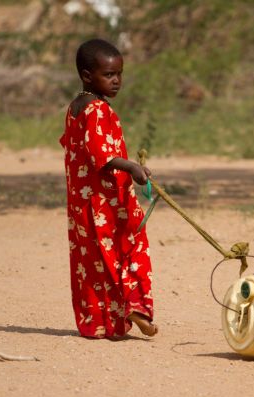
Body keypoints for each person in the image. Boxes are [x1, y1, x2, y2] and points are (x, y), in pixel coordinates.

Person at [59, 39, 158, 338]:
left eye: (119, 74)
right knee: (129, 245)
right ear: (88, 76)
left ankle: (102, 323)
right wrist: (132, 168)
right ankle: (135, 305)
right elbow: (100, 152)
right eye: (109, 75)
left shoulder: (75, 108)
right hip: (106, 201)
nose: (116, 81)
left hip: (82, 203)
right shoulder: (97, 109)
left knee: (93, 261)